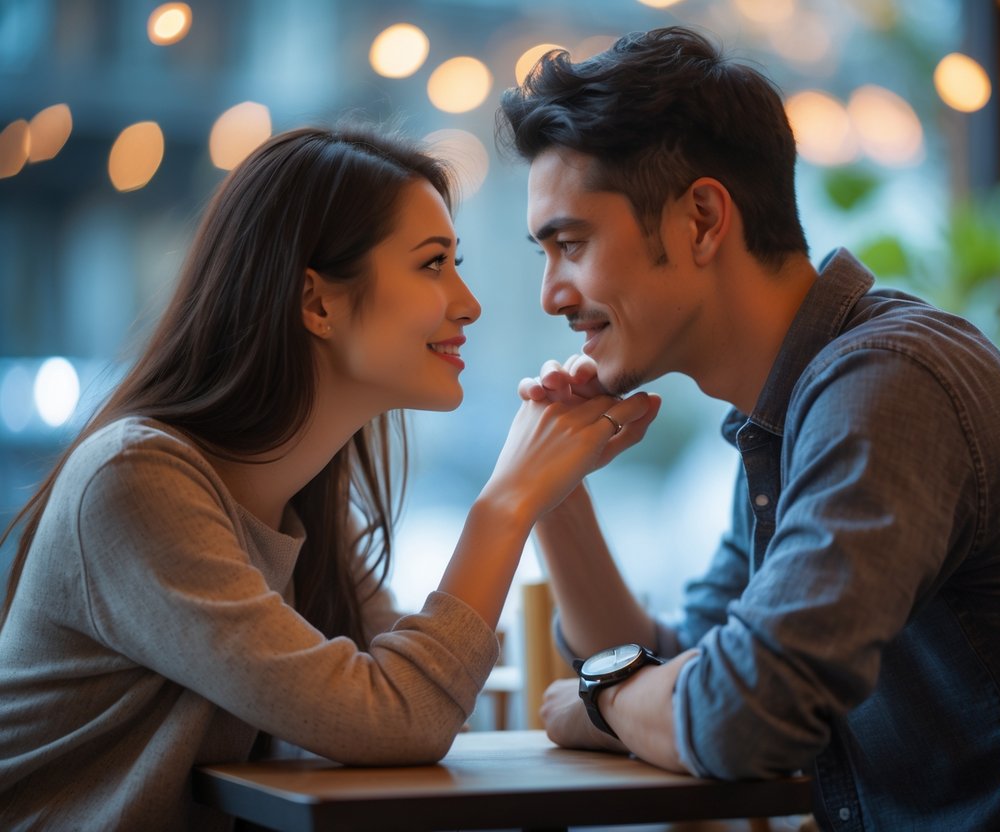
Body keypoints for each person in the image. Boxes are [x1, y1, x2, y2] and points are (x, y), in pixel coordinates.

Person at [497, 26, 1000, 831]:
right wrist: (551, 495)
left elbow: (741, 716)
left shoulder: (886, 384)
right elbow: (681, 671)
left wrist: (602, 702)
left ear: (702, 219)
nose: (550, 295)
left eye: (570, 244)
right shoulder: (788, 411)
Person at [0, 124, 655, 830]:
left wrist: (548, 486)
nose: (468, 303)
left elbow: (412, 713)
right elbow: (399, 718)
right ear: (315, 302)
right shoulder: (134, 480)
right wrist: (505, 504)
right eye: (433, 264)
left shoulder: (302, 505)